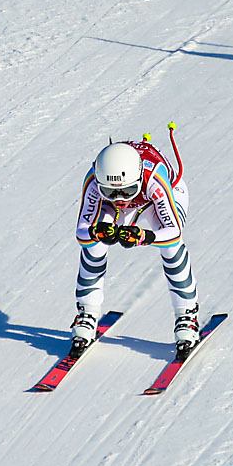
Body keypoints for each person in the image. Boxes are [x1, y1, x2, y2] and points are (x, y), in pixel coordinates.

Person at [70, 133, 199, 358]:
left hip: (156, 199)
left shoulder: (153, 178)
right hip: (118, 202)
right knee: (94, 245)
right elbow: (81, 232)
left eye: (127, 191)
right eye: (110, 191)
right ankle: (87, 312)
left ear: (138, 179)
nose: (121, 198)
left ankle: (187, 315)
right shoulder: (93, 181)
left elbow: (174, 232)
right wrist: (96, 231)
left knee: (170, 248)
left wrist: (145, 236)